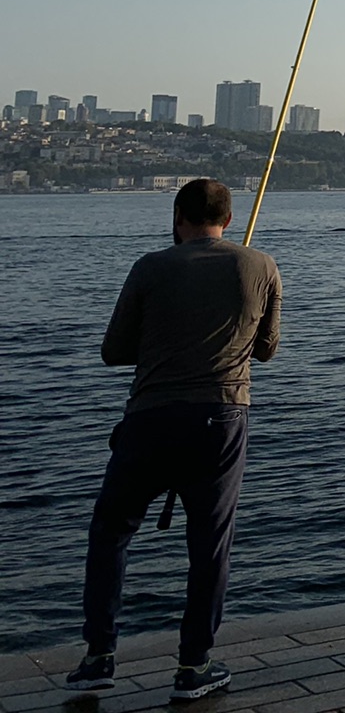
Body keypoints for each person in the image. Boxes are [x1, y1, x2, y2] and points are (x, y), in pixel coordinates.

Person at [67, 179, 282, 702]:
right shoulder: (261, 266)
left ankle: (98, 656)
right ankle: (194, 666)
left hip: (150, 419)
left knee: (111, 532)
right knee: (209, 547)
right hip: (222, 419)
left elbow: (113, 351)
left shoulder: (150, 267)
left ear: (178, 217)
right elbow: (268, 350)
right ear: (229, 221)